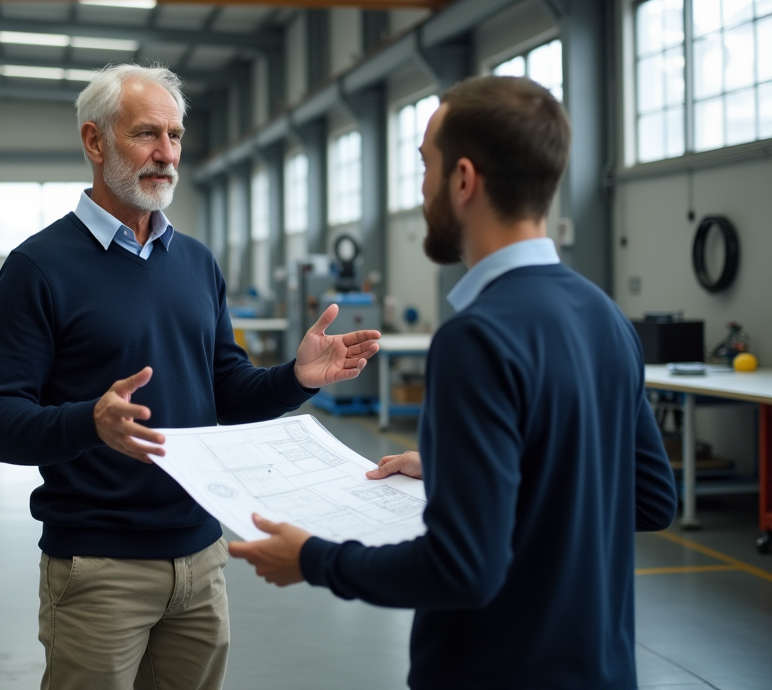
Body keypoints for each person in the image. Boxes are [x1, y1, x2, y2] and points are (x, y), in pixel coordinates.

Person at [230, 75, 678, 690]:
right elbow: (651, 499)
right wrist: (459, 472)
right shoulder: (605, 316)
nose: (420, 190)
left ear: (463, 180)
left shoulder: (478, 337)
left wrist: (313, 559)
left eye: (425, 167)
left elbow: (463, 569)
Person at [0, 63, 380, 690]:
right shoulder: (37, 269)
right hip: (99, 567)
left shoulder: (195, 262)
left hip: (200, 558)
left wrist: (295, 378)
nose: (167, 154)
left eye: (176, 136)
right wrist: (90, 421)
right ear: (94, 141)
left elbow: (226, 388)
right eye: (146, 135)